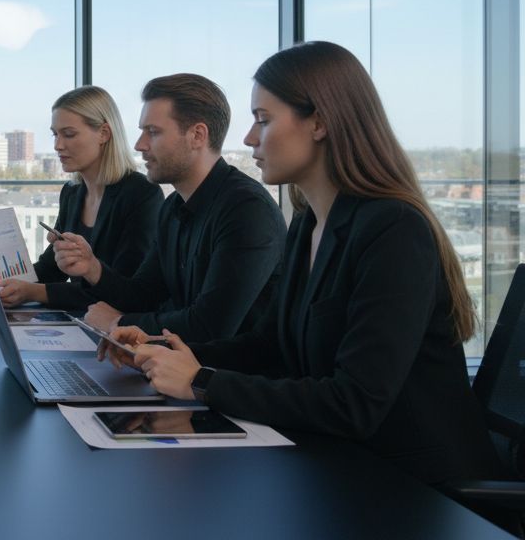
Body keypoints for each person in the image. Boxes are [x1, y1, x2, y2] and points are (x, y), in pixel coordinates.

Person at [104, 42, 500, 486]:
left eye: (263, 119)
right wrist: (161, 351)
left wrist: (201, 381)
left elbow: (355, 403)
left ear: (320, 122)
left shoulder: (393, 230)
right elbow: (271, 346)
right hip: (336, 466)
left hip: (417, 489)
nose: (249, 138)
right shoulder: (309, 222)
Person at [53, 74, 285, 341]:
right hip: (177, 360)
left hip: (223, 366)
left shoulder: (246, 210)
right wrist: (91, 267)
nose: (139, 145)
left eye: (153, 132)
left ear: (197, 135)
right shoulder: (173, 206)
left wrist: (118, 323)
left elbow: (210, 326)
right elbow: (143, 295)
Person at [0, 86, 161, 310]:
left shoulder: (141, 194)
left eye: (69, 134)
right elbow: (51, 268)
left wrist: (32, 291)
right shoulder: (72, 192)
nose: (58, 145)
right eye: (55, 134)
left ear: (104, 133)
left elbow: (125, 291)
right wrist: (5, 284)